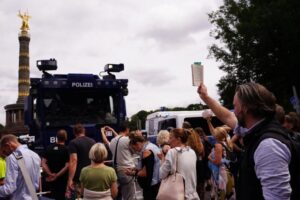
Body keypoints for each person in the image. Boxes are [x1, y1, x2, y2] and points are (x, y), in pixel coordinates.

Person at [198, 82, 292, 200]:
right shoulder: (257, 129)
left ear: (245, 108)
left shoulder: (268, 146)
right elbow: (227, 117)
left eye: (235, 106)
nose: (234, 112)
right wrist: (205, 97)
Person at [159, 128, 200, 200]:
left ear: (178, 139)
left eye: (171, 138)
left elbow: (162, 174)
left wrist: (162, 158)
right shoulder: (192, 152)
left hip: (179, 195)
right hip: (192, 194)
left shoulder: (172, 152)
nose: (169, 141)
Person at [0, 134, 41, 199]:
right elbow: (36, 185)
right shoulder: (35, 155)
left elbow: (9, 189)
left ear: (8, 145)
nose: (5, 154)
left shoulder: (13, 157)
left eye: (4, 151)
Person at [127, 133, 161, 200]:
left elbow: (145, 173)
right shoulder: (152, 146)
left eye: (134, 148)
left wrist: (132, 173)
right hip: (156, 183)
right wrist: (135, 168)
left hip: (150, 186)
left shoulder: (146, 151)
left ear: (138, 144)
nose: (136, 150)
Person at [67, 123, 96, 198]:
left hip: (79, 178)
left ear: (74, 132)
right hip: (92, 176)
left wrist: (70, 179)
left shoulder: (73, 143)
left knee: (79, 197)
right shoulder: (92, 141)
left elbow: (74, 160)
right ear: (84, 131)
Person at [109, 121, 135, 200]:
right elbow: (134, 151)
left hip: (115, 171)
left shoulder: (113, 141)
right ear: (127, 129)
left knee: (117, 196)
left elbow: (119, 140)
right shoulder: (128, 140)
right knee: (128, 196)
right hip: (127, 171)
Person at [208, 126, 235, 200]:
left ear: (217, 136)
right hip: (227, 171)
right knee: (226, 194)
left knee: (220, 195)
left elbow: (217, 161)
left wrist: (210, 158)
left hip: (220, 173)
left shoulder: (218, 145)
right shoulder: (228, 142)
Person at [41, 129, 69, 200]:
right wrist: (57, 175)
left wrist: (50, 174)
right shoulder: (67, 150)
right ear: (66, 138)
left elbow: (43, 163)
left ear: (57, 137)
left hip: (51, 180)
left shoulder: (49, 148)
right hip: (62, 180)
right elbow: (67, 165)